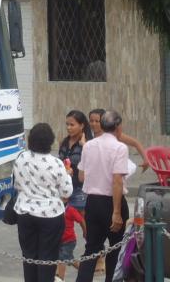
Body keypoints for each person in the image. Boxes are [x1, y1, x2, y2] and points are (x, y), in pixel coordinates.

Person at [12, 122, 73, 282]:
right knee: (48, 258)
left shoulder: (20, 158)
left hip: (25, 213)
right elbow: (66, 191)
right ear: (50, 141)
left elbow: (16, 185)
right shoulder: (56, 163)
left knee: (29, 257)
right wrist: (69, 175)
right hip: (51, 216)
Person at [77, 109, 131, 282]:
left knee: (91, 249)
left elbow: (81, 175)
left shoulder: (89, 145)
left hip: (92, 202)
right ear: (117, 126)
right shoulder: (120, 147)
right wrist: (116, 212)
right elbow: (117, 181)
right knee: (115, 248)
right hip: (112, 203)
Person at [59, 110, 92, 210]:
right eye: (67, 124)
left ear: (81, 126)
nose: (68, 128)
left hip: (80, 189)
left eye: (72, 125)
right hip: (64, 186)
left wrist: (84, 146)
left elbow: (93, 164)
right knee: (64, 221)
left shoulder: (88, 143)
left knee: (83, 220)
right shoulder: (64, 142)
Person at [56, 199, 85, 282]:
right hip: (58, 240)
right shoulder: (55, 208)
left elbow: (81, 220)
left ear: (67, 199)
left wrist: (85, 232)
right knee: (69, 259)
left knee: (62, 258)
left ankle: (61, 279)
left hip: (69, 240)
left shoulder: (70, 209)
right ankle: (84, 270)